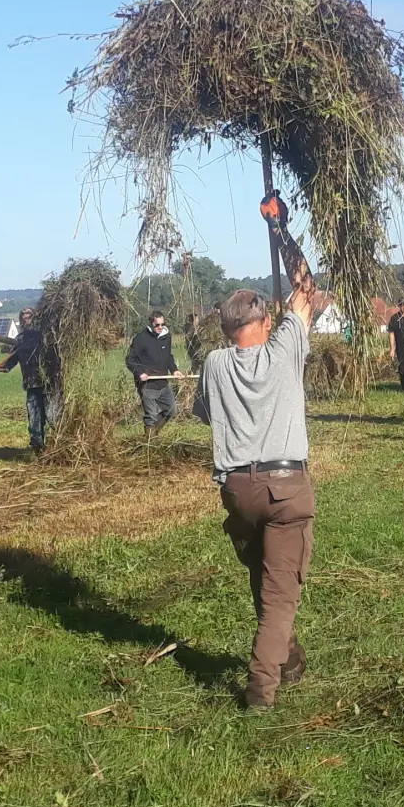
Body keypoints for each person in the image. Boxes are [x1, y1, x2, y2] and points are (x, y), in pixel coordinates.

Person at [193, 285, 315, 710]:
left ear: (226, 327)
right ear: (265, 322)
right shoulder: (283, 351)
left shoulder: (213, 363)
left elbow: (207, 413)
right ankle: (261, 691)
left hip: (237, 492)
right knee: (281, 596)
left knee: (265, 578)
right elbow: (305, 293)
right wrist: (280, 226)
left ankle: (290, 658)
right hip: (285, 490)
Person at [0, 308, 57, 452]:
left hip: (50, 385)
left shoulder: (46, 336)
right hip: (31, 386)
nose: (26, 319)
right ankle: (38, 452)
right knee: (34, 423)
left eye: (29, 316)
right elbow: (10, 363)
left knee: (53, 418)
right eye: (23, 317)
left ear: (36, 318)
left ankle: (62, 447)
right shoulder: (20, 340)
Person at [126, 310, 184, 439]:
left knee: (171, 410)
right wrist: (140, 373)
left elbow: (168, 356)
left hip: (162, 381)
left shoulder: (166, 336)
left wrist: (174, 370)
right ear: (151, 323)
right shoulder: (141, 338)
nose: (160, 327)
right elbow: (130, 360)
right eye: (157, 325)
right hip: (147, 384)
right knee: (150, 416)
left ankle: (152, 434)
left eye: (162, 324)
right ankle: (150, 443)